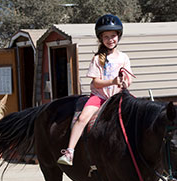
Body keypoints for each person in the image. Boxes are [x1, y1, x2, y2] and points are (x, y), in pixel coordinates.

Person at [57, 14, 132, 166]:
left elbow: (128, 80)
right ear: (100, 38)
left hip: (118, 97)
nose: (110, 40)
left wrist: (124, 82)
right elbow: (96, 83)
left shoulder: (124, 57)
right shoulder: (98, 59)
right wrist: (113, 81)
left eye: (113, 36)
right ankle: (70, 151)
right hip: (99, 98)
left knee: (137, 115)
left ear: (118, 36)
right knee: (82, 119)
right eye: (106, 37)